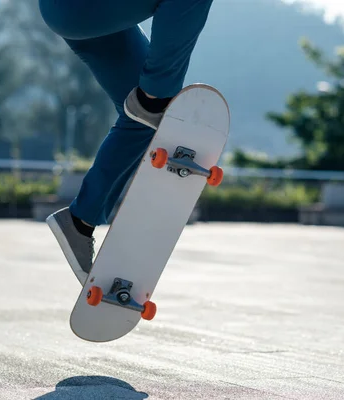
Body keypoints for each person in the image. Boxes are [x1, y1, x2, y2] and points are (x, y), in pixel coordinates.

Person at [39, 0, 214, 285]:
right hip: (76, 7)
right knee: (152, 104)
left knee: (142, 120)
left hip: (83, 15)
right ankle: (154, 98)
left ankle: (81, 221)